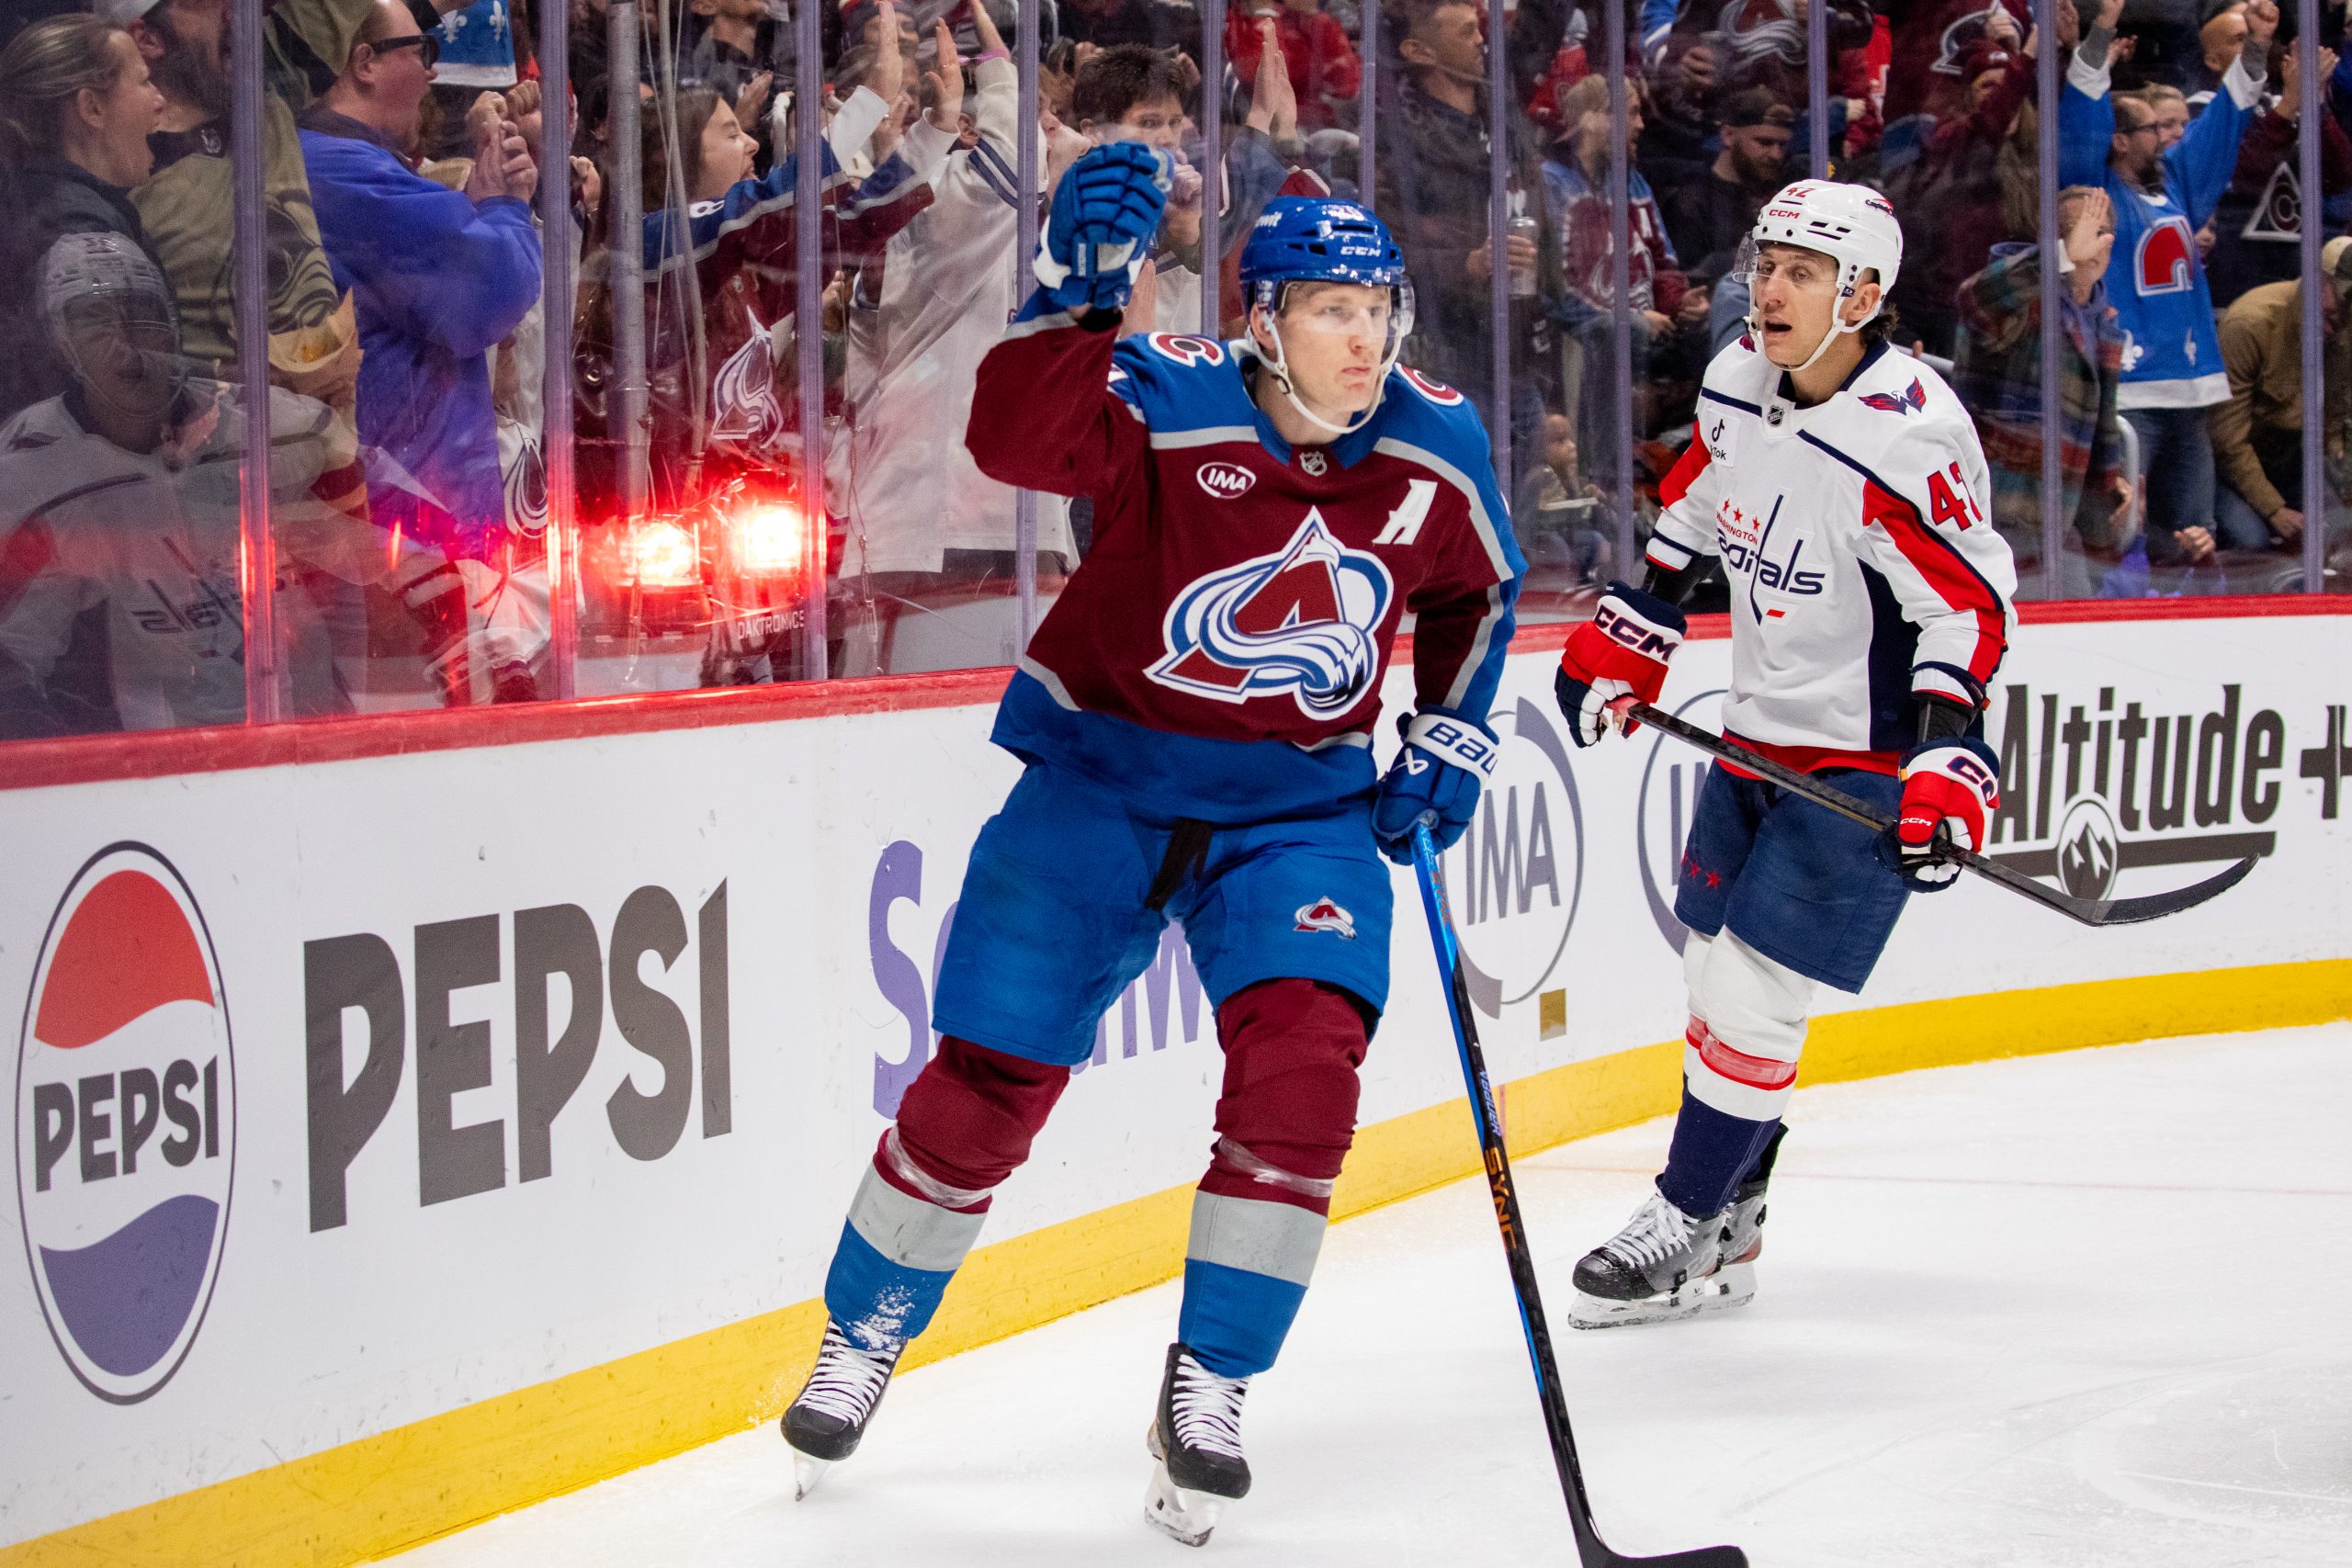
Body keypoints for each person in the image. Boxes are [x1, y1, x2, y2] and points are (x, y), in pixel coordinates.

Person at [777, 182, 1522, 1543]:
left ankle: (1212, 1382)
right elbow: (1015, 443)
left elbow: (1477, 588)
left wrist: (1453, 730)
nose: (1365, 340)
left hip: (1297, 811)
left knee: (1305, 1078)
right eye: (1332, 311)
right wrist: (1073, 304)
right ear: (1263, 320)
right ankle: (864, 1329)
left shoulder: (1435, 442)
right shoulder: (1174, 399)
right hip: (1100, 786)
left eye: (1379, 310)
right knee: (989, 1078)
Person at [1548, 180, 2016, 1328]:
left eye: (1802, 272)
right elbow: (1697, 501)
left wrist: (1946, 756)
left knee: (1751, 994)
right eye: (1765, 263)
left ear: (1862, 295)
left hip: (1864, 756)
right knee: (1710, 973)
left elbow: (1966, 606)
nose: (1769, 288)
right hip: (1757, 729)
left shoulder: (1905, 434)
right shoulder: (1737, 382)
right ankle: (1734, 1216)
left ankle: (1680, 1214)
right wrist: (1636, 629)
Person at [0, 232, 356, 735]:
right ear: (62, 344)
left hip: (307, 746)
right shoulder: (32, 470)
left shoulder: (284, 431)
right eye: (95, 320)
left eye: (142, 314)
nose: (126, 340)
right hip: (155, 765)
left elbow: (385, 570)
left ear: (171, 328)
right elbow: (13, 663)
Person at [299, 0, 544, 703]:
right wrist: (502, 209)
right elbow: (485, 291)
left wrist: (484, 201)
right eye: (423, 51)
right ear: (365, 63)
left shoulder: (349, 166)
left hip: (409, 527)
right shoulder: (343, 172)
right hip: (409, 530)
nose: (434, 73)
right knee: (440, 741)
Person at [2059, 0, 2276, 574]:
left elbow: (2226, 119)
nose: (2167, 136)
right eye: (2153, 129)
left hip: (2190, 389)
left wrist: (2257, 46)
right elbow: (2081, 112)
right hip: (2131, 397)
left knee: (2195, 543)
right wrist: (2102, 29)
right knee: (2122, 538)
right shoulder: (2094, 190)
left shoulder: (2177, 182)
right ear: (2118, 140)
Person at [1952, 185, 2132, 596]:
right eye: (2073, 231)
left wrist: (2113, 489)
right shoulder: (2022, 302)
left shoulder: (2103, 320)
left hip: (2058, 520)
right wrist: (2059, 257)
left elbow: (2096, 435)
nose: (2089, 243)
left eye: (2099, 231)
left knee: (2081, 625)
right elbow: (1975, 301)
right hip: (1995, 514)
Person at [0, 13, 166, 424]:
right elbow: (120, 398)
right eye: (144, 81)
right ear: (92, 107)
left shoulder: (45, 205)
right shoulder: (77, 230)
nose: (159, 99)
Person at [2210, 232, 2352, 573]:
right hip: (2225, 468)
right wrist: (2274, 509)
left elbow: (2335, 422)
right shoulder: (2251, 323)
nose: (2343, 316)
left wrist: (2342, 477)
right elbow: (2226, 438)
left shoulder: (2344, 331)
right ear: (2317, 280)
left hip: (2290, 460)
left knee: (2341, 529)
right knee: (2251, 539)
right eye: (2341, 300)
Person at [1659, 86, 1794, 288]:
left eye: (1782, 145)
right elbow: (1690, 284)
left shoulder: (1784, 196)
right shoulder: (1690, 203)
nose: (1776, 155)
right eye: (1764, 142)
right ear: (1729, 135)